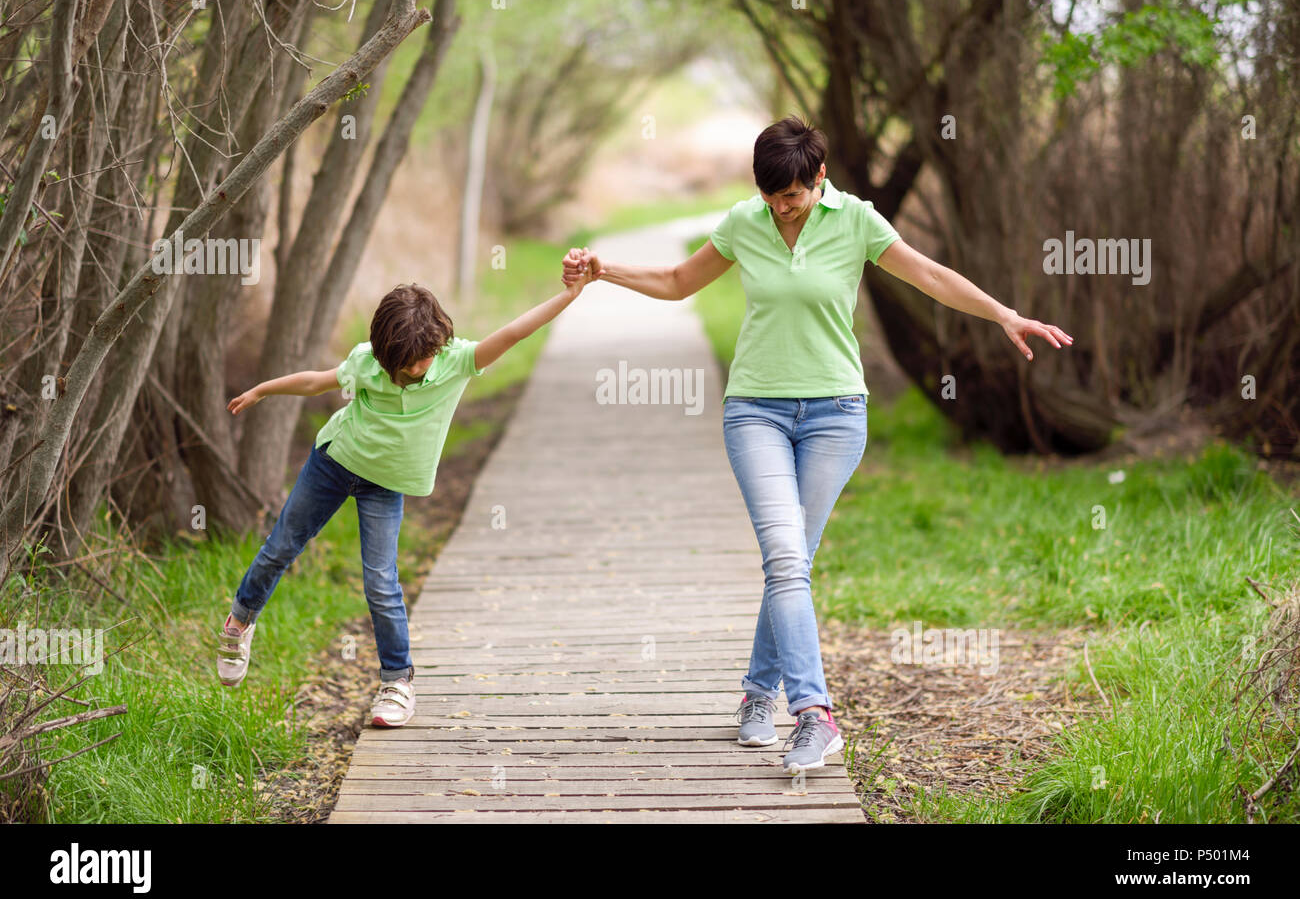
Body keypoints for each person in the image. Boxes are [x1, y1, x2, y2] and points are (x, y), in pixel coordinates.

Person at [563, 115, 1072, 773]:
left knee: (791, 560)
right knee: (785, 554)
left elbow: (930, 276)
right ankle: (814, 713)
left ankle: (755, 695)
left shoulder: (856, 221)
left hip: (835, 414)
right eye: (772, 195)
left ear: (819, 179)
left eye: (793, 195)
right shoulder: (745, 223)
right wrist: (605, 269)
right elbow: (677, 283)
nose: (781, 207)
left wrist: (1004, 313)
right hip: (756, 413)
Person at [217, 274, 595, 726]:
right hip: (333, 462)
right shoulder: (367, 362)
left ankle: (397, 682)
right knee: (281, 546)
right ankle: (239, 621)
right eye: (406, 363)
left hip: (385, 484)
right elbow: (318, 382)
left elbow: (515, 331)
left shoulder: (457, 362)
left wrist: (570, 295)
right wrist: (263, 389)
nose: (416, 369)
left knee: (380, 581)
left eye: (423, 359)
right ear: (383, 352)